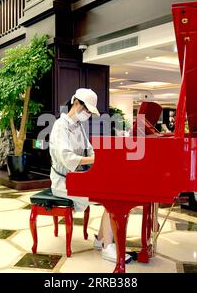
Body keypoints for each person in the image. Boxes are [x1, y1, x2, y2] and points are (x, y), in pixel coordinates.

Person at [49, 88, 132, 263]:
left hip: (77, 177)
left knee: (114, 193)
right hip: (63, 182)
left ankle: (102, 240)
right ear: (76, 103)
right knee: (109, 197)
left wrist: (102, 157)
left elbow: (90, 149)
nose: (87, 114)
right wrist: (95, 159)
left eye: (89, 112)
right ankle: (106, 246)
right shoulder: (59, 126)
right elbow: (67, 158)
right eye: (86, 110)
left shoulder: (78, 125)